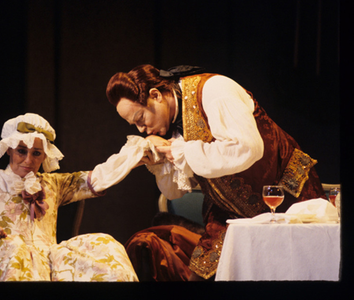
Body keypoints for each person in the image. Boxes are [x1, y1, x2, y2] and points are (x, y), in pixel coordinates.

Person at [106, 64, 325, 281]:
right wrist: (160, 160)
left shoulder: (213, 90)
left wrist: (179, 150)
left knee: (293, 271)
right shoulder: (172, 127)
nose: (141, 130)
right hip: (229, 211)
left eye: (140, 119)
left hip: (284, 192)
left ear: (156, 95)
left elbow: (248, 148)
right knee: (201, 277)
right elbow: (175, 192)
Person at [0, 113, 153, 282]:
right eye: (22, 150)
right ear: (9, 150)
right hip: (5, 256)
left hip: (48, 259)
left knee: (106, 245)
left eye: (36, 153)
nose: (28, 159)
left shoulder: (52, 183)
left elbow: (95, 179)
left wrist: (132, 158)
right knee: (13, 248)